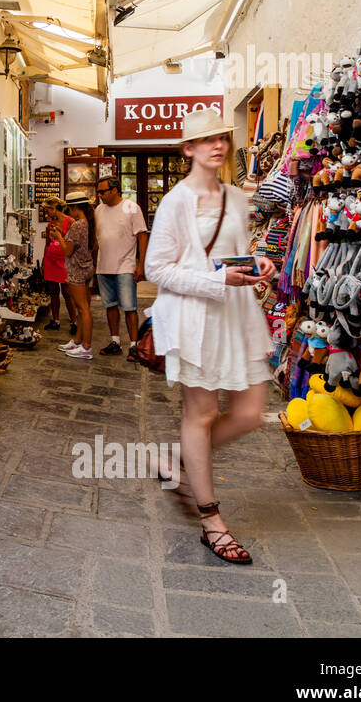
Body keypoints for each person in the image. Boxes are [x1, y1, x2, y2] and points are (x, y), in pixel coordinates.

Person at [144, 108, 276, 566]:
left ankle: (177, 457)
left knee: (251, 414)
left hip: (238, 316)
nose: (217, 146)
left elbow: (236, 252)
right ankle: (211, 521)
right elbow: (156, 268)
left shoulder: (238, 198)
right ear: (188, 149)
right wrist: (217, 282)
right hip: (197, 319)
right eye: (205, 140)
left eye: (221, 137)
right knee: (201, 414)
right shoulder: (176, 202)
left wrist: (257, 263)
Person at [93, 177, 149, 360]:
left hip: (125, 265)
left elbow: (142, 236)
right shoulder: (98, 210)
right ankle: (115, 341)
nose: (99, 195)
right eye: (98, 191)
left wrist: (141, 265)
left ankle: (134, 345)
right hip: (103, 265)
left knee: (129, 307)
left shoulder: (132, 208)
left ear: (114, 190)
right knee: (110, 306)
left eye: (102, 191)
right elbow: (97, 239)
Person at [52, 193, 96, 359]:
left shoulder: (77, 225)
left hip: (77, 269)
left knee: (83, 308)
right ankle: (78, 341)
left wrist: (59, 237)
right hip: (86, 267)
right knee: (82, 307)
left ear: (75, 207)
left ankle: (86, 346)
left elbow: (68, 250)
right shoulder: (89, 223)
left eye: (69, 208)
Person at [39, 198, 75, 331]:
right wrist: (43, 261)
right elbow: (47, 243)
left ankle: (74, 321)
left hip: (64, 260)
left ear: (55, 208)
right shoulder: (50, 224)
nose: (46, 212)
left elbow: (74, 242)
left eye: (48, 209)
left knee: (67, 292)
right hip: (50, 259)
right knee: (53, 291)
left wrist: (61, 233)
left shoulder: (70, 222)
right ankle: (56, 320)